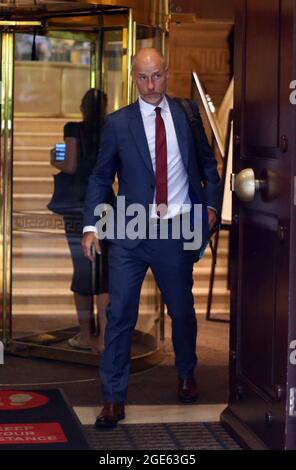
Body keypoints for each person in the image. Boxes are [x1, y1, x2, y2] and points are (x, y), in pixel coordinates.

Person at [82, 48, 221, 428]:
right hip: (129, 231)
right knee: (120, 314)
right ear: (133, 78)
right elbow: (99, 177)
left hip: (175, 230)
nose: (149, 85)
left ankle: (186, 373)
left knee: (181, 310)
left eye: (156, 76)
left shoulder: (187, 115)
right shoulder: (117, 124)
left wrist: (210, 208)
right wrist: (92, 226)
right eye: (142, 77)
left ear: (167, 73)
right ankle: (112, 399)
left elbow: (209, 164)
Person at [50, 88, 110, 352]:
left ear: (82, 107)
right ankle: (106, 337)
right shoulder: (111, 129)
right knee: (105, 272)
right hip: (106, 204)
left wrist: (55, 157)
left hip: (76, 205)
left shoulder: (72, 128)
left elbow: (70, 164)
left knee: (83, 267)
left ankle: (86, 335)